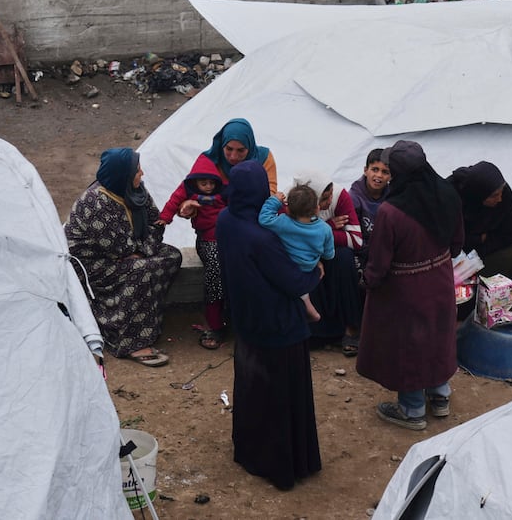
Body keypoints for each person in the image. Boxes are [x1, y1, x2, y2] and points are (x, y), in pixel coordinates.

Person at [215, 161, 323, 491]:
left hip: (247, 321)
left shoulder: (225, 220)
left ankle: (250, 452)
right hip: (279, 326)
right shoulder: (263, 237)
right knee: (281, 397)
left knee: (253, 390)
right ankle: (281, 466)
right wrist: (314, 274)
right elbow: (291, 281)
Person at [357, 140, 463, 433]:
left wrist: (368, 281)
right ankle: (440, 397)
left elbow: (379, 263)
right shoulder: (447, 192)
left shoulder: (391, 212)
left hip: (405, 290)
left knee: (410, 345)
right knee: (436, 336)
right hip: (440, 279)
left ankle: (412, 409)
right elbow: (456, 243)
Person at [63, 148, 182, 367]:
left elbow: (156, 223)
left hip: (125, 254)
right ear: (123, 175)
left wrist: (141, 249)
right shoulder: (96, 203)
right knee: (140, 270)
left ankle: (137, 320)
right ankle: (128, 340)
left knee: (172, 256)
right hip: (91, 265)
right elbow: (120, 248)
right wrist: (139, 250)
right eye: (137, 171)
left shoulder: (135, 191)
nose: (142, 174)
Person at [156, 155, 229, 348]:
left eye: (210, 183)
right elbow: (174, 201)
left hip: (230, 238)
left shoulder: (225, 189)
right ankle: (215, 322)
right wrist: (166, 217)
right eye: (203, 183)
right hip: (208, 240)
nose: (207, 187)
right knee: (215, 269)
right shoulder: (189, 190)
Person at [297, 168, 365, 357]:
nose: (328, 204)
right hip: (304, 255)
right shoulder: (293, 201)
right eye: (322, 200)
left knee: (343, 258)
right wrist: (328, 228)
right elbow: (293, 240)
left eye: (329, 197)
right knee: (305, 262)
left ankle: (350, 328)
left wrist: (315, 235)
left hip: (332, 253)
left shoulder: (340, 197)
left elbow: (356, 240)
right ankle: (317, 332)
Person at [258, 183, 336, 321]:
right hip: (308, 268)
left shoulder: (283, 222)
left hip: (286, 266)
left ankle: (305, 305)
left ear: (287, 210)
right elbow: (329, 255)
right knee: (303, 291)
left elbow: (264, 218)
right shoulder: (325, 229)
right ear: (317, 209)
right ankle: (307, 306)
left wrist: (275, 200)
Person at [448, 160, 512, 281]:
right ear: (479, 194)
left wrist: (479, 249)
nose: (499, 199)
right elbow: (448, 235)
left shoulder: (502, 192)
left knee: (509, 255)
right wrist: (477, 239)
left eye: (500, 193)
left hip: (489, 248)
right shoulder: (452, 194)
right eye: (494, 196)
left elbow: (510, 231)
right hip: (459, 253)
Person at [197, 117, 279, 191]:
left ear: (250, 147)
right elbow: (189, 190)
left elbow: (270, 192)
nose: (233, 157)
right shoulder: (207, 160)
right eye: (229, 149)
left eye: (241, 150)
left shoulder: (264, 158)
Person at [348, 148, 391, 267]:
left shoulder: (393, 197)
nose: (379, 175)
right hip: (362, 253)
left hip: (387, 252)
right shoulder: (353, 198)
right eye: (375, 170)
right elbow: (354, 237)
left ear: (391, 176)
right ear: (365, 170)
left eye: (385, 172)